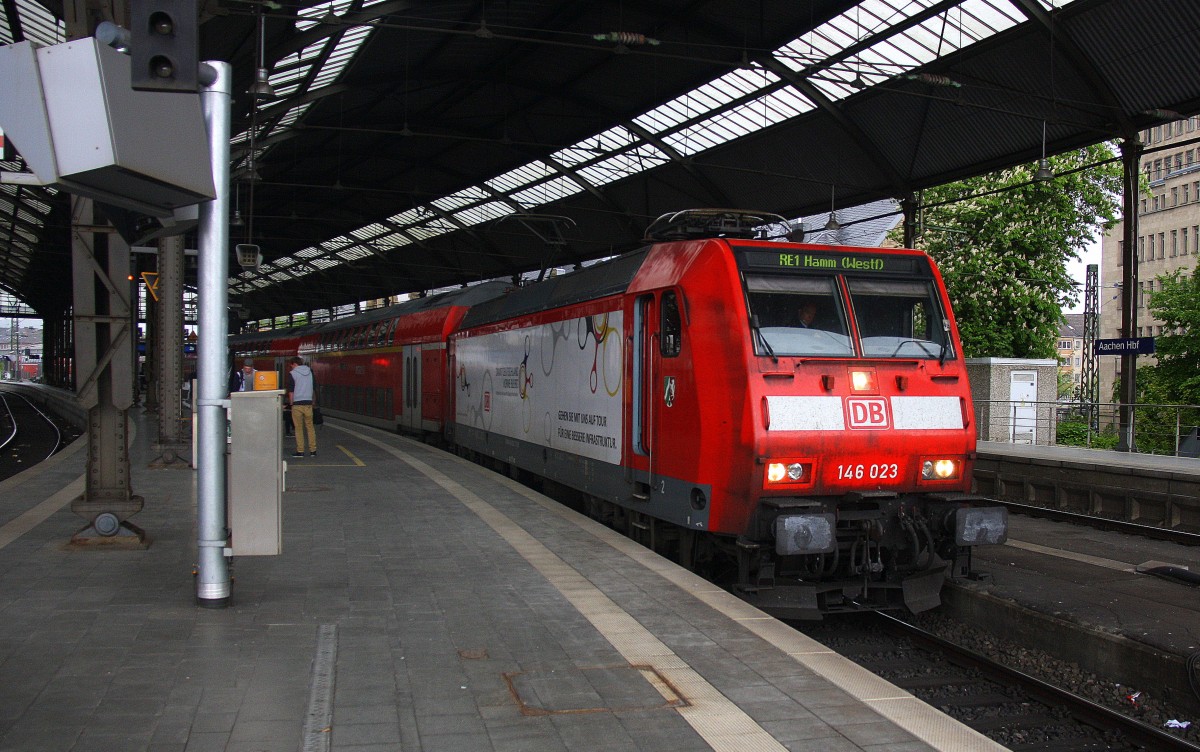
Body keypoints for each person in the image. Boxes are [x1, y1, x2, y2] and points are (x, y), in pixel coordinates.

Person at [286, 356, 317, 457]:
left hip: (297, 404)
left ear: (294, 364)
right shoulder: (310, 372)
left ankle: (300, 451)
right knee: (310, 427)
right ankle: (313, 450)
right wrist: (313, 401)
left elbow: (291, 391)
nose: (291, 367)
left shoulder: (292, 374)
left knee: (298, 428)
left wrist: (291, 404)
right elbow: (313, 387)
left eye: (292, 365)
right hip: (308, 403)